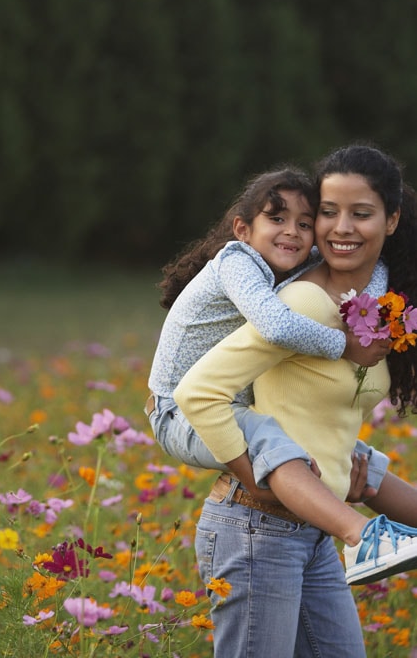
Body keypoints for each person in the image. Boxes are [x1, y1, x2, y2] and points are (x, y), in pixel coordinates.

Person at [174, 144, 417, 657]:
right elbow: (197, 392)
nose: (341, 228)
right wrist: (252, 473)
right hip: (256, 527)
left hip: (312, 531)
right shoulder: (302, 303)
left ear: (392, 220)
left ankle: (372, 533)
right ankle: (367, 534)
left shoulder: (376, 308)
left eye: (362, 213)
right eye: (329, 213)